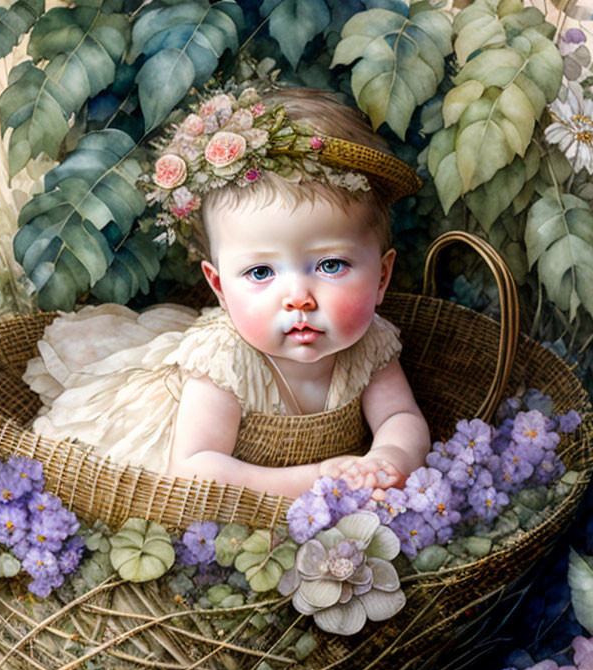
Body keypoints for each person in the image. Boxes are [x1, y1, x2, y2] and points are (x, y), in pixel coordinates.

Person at [23, 85, 431, 499]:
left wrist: (388, 459)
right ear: (219, 286)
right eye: (260, 272)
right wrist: (320, 479)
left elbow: (401, 416)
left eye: (330, 266)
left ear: (381, 278)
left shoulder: (371, 342)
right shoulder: (224, 361)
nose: (298, 298)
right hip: (186, 474)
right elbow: (194, 472)